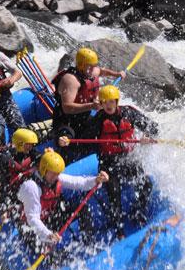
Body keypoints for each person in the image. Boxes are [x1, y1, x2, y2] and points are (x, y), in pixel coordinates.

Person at [59, 85, 159, 238]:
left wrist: (146, 137)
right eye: (105, 102)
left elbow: (153, 127)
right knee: (114, 194)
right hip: (108, 163)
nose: (108, 105)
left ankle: (137, 212)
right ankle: (119, 231)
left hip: (127, 159)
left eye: (111, 102)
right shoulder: (99, 119)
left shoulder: (129, 113)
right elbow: (84, 139)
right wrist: (69, 141)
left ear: (117, 101)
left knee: (146, 184)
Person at [17, 151, 109, 263]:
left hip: (50, 218)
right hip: (31, 228)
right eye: (53, 173)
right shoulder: (31, 187)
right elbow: (32, 218)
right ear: (44, 169)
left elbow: (79, 182)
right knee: (52, 257)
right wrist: (48, 235)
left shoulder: (55, 177)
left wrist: (96, 180)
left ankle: (89, 243)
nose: (56, 176)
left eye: (57, 173)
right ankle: (58, 268)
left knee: (82, 208)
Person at [52, 47, 126, 163]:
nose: (93, 69)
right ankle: (62, 162)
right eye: (89, 66)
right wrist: (91, 106)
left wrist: (117, 74)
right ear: (81, 65)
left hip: (85, 118)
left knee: (107, 121)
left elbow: (102, 71)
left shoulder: (91, 71)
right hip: (66, 121)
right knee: (66, 140)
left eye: (94, 65)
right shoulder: (70, 80)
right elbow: (67, 108)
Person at [0, 128, 42, 224]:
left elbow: (40, 158)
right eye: (28, 145)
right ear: (20, 144)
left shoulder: (30, 152)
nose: (31, 147)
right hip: (7, 191)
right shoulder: (4, 159)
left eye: (32, 145)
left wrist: (47, 155)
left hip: (22, 186)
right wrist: (4, 207)